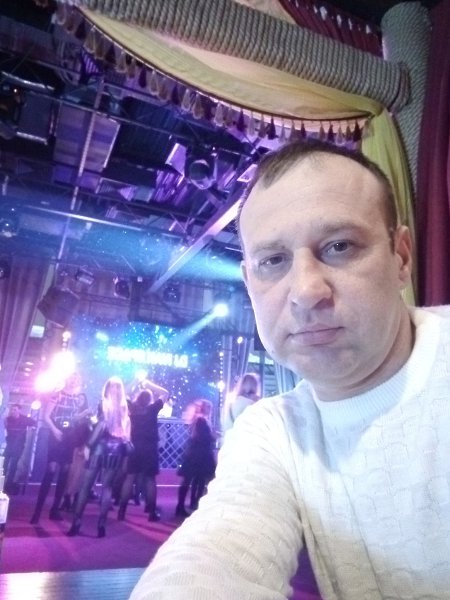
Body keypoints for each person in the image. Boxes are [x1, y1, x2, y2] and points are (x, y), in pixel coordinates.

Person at [129, 138, 450, 600]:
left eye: (339, 246)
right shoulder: (272, 432)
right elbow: (216, 554)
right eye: (273, 261)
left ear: (401, 257)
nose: (305, 291)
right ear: (249, 282)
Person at [67, 376, 131, 538]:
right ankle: (101, 526)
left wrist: (88, 445)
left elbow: (101, 425)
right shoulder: (124, 406)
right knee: (107, 488)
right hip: (117, 447)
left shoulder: (104, 403)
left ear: (107, 388)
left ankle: (76, 523)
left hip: (100, 445)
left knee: (86, 486)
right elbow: (125, 432)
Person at [30, 372, 91, 524]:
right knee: (50, 470)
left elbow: (72, 418)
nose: (73, 381)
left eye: (76, 379)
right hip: (56, 433)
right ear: (67, 379)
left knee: (65, 470)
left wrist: (83, 414)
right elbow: (46, 416)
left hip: (69, 435)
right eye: (72, 378)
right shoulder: (57, 395)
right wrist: (55, 430)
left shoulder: (76, 399)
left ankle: (55, 509)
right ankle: (37, 511)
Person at [118, 380, 169, 522]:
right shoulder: (153, 409)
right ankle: (151, 513)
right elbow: (165, 393)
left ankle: (122, 511)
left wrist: (135, 382)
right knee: (150, 479)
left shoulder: (132, 409)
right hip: (150, 447)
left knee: (130, 477)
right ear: (149, 399)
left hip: (134, 446)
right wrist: (149, 384)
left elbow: (123, 393)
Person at [175, 410, 216, 518]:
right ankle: (196, 502)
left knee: (186, 482)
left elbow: (188, 447)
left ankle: (180, 505)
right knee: (201, 481)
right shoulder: (207, 435)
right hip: (204, 460)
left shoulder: (193, 435)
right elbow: (212, 439)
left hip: (191, 459)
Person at [3, 404, 36, 495]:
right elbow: (5, 428)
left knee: (13, 466)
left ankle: (8, 485)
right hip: (9, 445)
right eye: (12, 409)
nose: (13, 411)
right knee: (4, 466)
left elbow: (34, 423)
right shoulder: (8, 419)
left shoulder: (25, 419)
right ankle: (2, 483)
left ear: (19, 410)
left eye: (15, 410)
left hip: (18, 446)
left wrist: (31, 429)